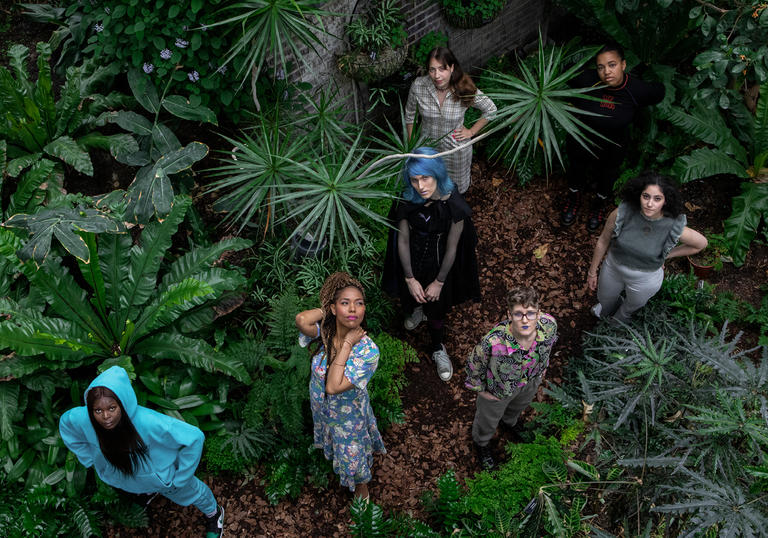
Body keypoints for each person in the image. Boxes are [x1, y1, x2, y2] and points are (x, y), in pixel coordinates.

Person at [59, 366, 224, 538]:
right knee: (140, 486)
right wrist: (89, 458)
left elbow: (195, 438)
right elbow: (66, 424)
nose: (105, 416)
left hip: (165, 478)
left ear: (122, 404)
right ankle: (149, 492)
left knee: (193, 492)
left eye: (112, 408)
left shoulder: (149, 422)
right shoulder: (83, 419)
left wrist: (181, 477)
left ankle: (214, 513)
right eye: (98, 410)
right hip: (129, 477)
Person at [382, 147, 480, 382]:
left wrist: (439, 281)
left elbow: (453, 247)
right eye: (415, 179)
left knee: (436, 305)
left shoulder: (453, 203)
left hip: (439, 266)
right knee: (412, 294)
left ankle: (437, 347)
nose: (421, 186)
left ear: (437, 174)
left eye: (425, 178)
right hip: (412, 261)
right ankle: (417, 310)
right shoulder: (408, 198)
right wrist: (409, 277)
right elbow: (402, 239)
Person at [295, 272, 385, 502]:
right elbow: (302, 320)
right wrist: (328, 309)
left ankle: (362, 488)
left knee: (353, 457)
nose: (353, 309)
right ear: (334, 309)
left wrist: (346, 344)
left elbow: (333, 386)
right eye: (345, 303)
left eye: (359, 303)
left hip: (348, 417)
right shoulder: (326, 332)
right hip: (324, 410)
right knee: (336, 447)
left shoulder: (368, 352)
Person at [561, 42, 665, 231]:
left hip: (614, 145)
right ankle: (574, 198)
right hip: (582, 139)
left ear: (623, 65)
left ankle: (598, 206)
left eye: (612, 65)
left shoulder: (636, 89)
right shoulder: (588, 79)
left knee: (607, 175)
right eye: (601, 67)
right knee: (576, 168)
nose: (606, 71)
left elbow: (659, 91)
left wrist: (649, 70)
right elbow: (566, 70)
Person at [587, 172, 707, 323]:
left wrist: (666, 255)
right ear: (639, 195)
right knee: (604, 299)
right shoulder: (622, 213)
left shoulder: (672, 225)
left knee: (630, 307)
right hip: (613, 268)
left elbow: (701, 244)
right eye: (646, 196)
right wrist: (592, 272)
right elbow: (603, 241)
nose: (650, 204)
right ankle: (605, 313)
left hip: (645, 279)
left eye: (657, 199)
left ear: (666, 200)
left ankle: (616, 324)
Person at [465, 287, 557, 470]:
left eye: (530, 313)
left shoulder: (549, 326)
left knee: (517, 408)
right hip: (498, 392)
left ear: (538, 314)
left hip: (530, 382)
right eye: (518, 314)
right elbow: (473, 368)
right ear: (509, 314)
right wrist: (483, 392)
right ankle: (482, 443)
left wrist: (542, 369)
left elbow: (550, 345)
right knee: (488, 421)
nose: (525, 320)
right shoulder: (493, 342)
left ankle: (510, 422)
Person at [405, 47, 497, 194]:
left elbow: (491, 109)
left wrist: (471, 131)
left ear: (452, 68)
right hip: (428, 149)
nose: (437, 75)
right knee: (431, 188)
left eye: (442, 69)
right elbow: (409, 115)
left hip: (456, 151)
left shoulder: (463, 87)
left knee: (455, 190)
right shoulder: (419, 86)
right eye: (432, 70)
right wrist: (412, 145)